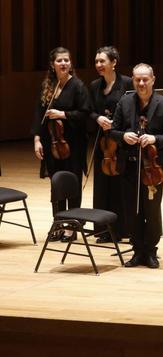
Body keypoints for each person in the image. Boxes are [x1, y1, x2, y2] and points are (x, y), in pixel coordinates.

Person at [110, 63, 163, 269]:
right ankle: (137, 249)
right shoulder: (125, 101)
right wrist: (124, 135)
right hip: (129, 166)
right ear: (133, 80)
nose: (141, 83)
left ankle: (150, 250)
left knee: (152, 209)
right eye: (137, 79)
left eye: (145, 79)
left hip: (152, 168)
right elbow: (113, 130)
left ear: (153, 80)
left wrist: (154, 138)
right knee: (132, 210)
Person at [31, 46, 91, 242]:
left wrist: (63, 114)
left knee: (72, 183)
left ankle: (71, 226)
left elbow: (85, 114)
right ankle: (57, 223)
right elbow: (39, 115)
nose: (63, 63)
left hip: (73, 143)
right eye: (59, 60)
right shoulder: (48, 86)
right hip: (51, 142)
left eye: (66, 60)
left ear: (70, 63)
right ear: (52, 64)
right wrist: (37, 139)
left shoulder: (78, 86)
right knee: (56, 184)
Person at [88, 46, 133, 242]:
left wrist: (116, 123)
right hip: (103, 145)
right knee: (102, 185)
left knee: (120, 186)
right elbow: (88, 110)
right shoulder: (94, 86)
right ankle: (103, 230)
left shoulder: (127, 83)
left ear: (113, 63)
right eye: (97, 61)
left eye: (102, 61)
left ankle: (122, 229)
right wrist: (97, 118)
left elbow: (133, 110)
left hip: (120, 143)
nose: (98, 65)